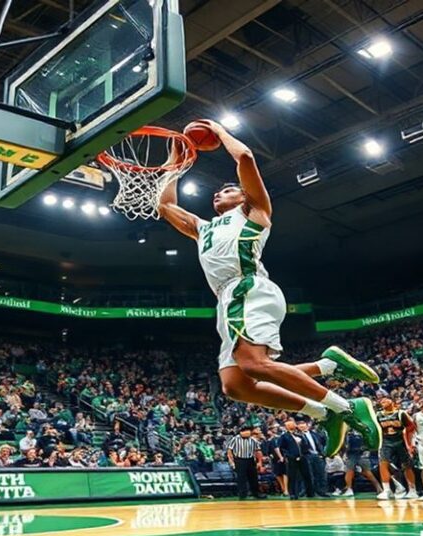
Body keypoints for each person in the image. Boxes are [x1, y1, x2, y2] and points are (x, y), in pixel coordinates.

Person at [158, 121, 382, 456]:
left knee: (254, 364)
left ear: (243, 196)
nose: (218, 193)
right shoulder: (203, 228)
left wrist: (218, 132)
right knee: (235, 385)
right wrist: (177, 162)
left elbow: (245, 157)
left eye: (227, 190)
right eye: (217, 192)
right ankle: (324, 399)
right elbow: (165, 206)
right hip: (227, 300)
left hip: (248, 289)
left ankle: (348, 409)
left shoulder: (253, 211)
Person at [376, 397, 417, 500]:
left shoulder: (401, 413)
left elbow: (411, 427)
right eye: (381, 401)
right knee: (383, 463)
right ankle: (387, 490)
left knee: (407, 465)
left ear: (392, 402)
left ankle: (412, 490)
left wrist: (410, 443)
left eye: (385, 399)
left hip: (400, 440)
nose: (383, 401)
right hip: (386, 441)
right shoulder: (378, 415)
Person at [275, 418, 314, 500]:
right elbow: (280, 447)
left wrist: (306, 453)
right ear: (286, 427)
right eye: (288, 425)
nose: (291, 426)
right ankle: (293, 493)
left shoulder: (300, 434)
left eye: (292, 424)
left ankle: (310, 492)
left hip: (303, 457)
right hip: (291, 458)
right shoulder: (284, 436)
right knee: (292, 476)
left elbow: (306, 445)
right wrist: (284, 456)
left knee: (307, 475)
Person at [338, 429, 381, 497]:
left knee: (352, 471)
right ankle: (378, 488)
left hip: (356, 453)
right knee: (362, 471)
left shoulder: (352, 431)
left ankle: (349, 489)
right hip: (356, 453)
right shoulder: (354, 430)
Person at [226, 425, 265, 500]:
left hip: (250, 460)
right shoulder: (235, 439)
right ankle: (242, 494)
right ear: (242, 432)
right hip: (240, 459)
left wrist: (259, 462)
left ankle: (256, 493)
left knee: (253, 477)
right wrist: (231, 461)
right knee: (241, 478)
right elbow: (229, 451)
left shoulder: (253, 440)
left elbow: (258, 451)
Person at [297, 419, 327, 497]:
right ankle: (308, 492)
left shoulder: (315, 434)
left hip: (317, 455)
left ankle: (322, 491)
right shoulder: (297, 436)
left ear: (307, 426)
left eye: (304, 426)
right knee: (308, 475)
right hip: (306, 456)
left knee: (320, 474)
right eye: (301, 427)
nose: (303, 428)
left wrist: (322, 454)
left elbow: (322, 443)